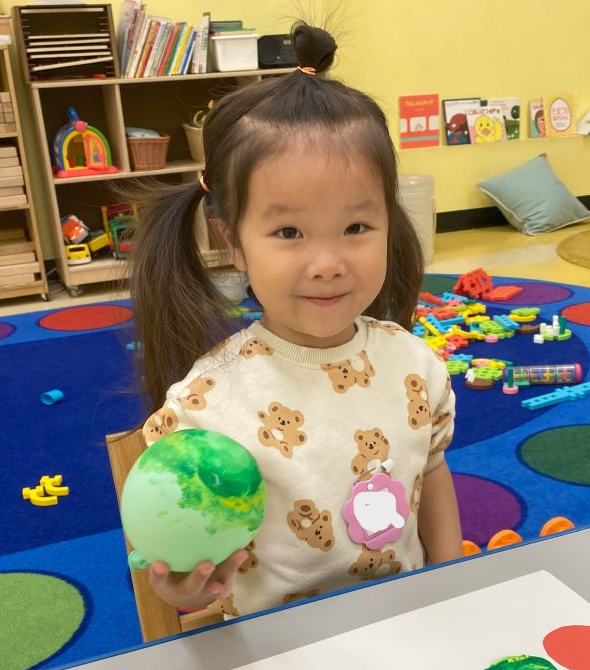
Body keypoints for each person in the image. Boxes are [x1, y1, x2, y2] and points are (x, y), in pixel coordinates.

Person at [129, 22, 463, 617]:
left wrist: (454, 578)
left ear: (390, 222)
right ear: (233, 241)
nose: (327, 263)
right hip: (282, 645)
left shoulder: (414, 365)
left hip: (406, 621)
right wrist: (183, 585)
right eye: (288, 232)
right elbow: (177, 555)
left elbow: (431, 470)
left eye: (357, 227)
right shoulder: (210, 402)